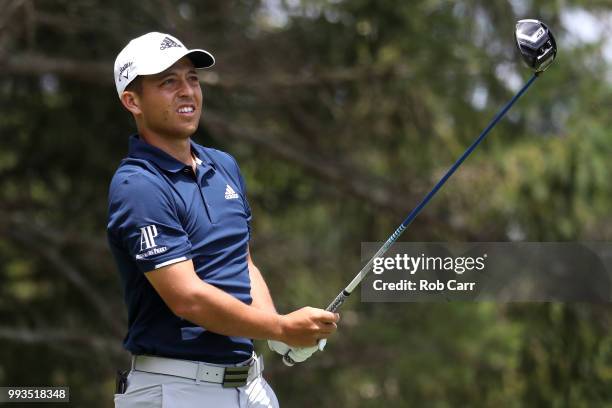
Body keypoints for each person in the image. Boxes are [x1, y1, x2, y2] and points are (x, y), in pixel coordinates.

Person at [107, 32, 339, 407]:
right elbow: (188, 299)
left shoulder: (223, 165)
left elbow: (241, 262)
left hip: (251, 386)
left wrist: (274, 329)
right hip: (177, 388)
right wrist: (280, 327)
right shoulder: (139, 184)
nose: (187, 91)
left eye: (192, 79)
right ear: (132, 101)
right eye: (168, 82)